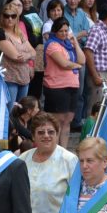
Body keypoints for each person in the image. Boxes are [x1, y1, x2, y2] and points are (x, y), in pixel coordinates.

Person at [42, 17, 84, 146]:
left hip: (72, 86)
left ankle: (64, 151)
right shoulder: (52, 45)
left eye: (66, 31)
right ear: (55, 31)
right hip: (56, 87)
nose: (64, 34)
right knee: (56, 121)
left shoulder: (69, 44)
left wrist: (75, 42)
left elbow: (82, 60)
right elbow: (63, 64)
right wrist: (76, 65)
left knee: (67, 120)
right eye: (61, 31)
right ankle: (54, 149)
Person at [0, 0, 35, 104]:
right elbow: (16, 56)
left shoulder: (19, 33)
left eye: (13, 16)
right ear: (2, 17)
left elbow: (34, 52)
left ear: (17, 17)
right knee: (8, 113)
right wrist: (28, 55)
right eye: (6, 16)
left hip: (24, 78)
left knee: (20, 112)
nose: (10, 19)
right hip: (8, 79)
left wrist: (28, 55)